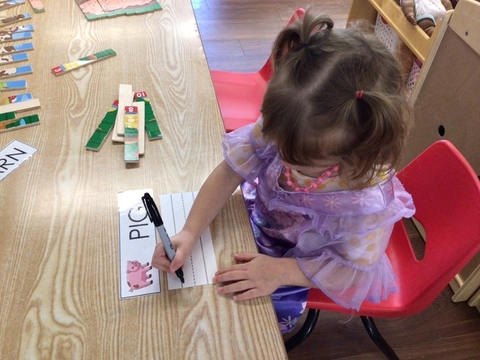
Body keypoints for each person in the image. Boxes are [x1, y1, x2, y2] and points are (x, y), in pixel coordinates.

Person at [151, 8, 415, 333]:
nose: (283, 160)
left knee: (240, 327)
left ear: (351, 157)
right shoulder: (289, 124)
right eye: (278, 144)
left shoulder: (365, 201)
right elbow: (229, 172)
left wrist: (280, 272)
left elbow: (354, 271)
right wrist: (189, 231)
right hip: (258, 224)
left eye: (300, 161)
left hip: (304, 264)